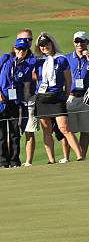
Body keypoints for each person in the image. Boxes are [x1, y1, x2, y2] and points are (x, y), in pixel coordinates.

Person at [32, 33, 83, 164]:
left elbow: (68, 80)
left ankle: (79, 155)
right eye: (42, 45)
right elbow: (35, 77)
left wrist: (65, 95)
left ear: (52, 44)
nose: (44, 47)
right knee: (47, 130)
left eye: (46, 44)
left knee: (64, 128)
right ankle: (51, 160)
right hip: (42, 98)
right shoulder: (39, 60)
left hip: (57, 98)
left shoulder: (61, 59)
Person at [64, 31, 89, 161]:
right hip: (70, 97)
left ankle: (81, 157)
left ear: (87, 42)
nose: (79, 44)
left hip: (86, 97)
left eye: (82, 41)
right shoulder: (67, 58)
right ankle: (66, 157)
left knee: (85, 130)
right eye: (76, 41)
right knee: (67, 130)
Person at [0, 38, 33, 167]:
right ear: (14, 49)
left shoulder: (26, 66)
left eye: (24, 49)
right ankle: (3, 161)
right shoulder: (5, 59)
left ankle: (14, 160)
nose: (21, 51)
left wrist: (24, 101)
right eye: (19, 49)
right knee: (1, 134)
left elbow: (26, 85)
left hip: (16, 102)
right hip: (2, 101)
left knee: (15, 133)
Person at [15, 29, 37, 166]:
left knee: (29, 131)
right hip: (13, 101)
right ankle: (12, 160)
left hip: (30, 99)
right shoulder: (10, 59)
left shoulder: (34, 59)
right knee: (12, 133)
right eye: (23, 40)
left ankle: (28, 162)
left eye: (29, 40)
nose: (26, 42)